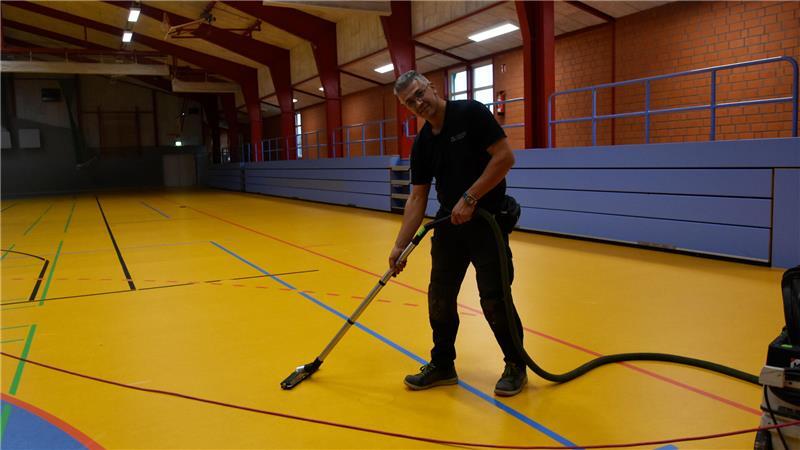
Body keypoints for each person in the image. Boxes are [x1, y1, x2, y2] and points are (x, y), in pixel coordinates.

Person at [388, 70, 526, 397]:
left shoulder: (471, 113)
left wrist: (471, 196)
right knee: (439, 297)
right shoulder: (422, 144)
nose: (418, 102)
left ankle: (516, 365)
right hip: (449, 224)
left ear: (433, 88)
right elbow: (418, 197)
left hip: (486, 220)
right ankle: (442, 364)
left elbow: (505, 157)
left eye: (420, 93)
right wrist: (399, 246)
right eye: (410, 102)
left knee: (494, 299)